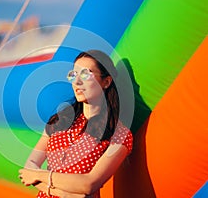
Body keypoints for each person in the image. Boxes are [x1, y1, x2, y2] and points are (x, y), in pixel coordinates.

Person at [19, 50, 133, 197]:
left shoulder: (118, 134)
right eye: (73, 75)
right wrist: (69, 195)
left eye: (86, 74)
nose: (77, 82)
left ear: (106, 82)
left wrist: (40, 176)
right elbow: (29, 167)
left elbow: (89, 184)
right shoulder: (60, 120)